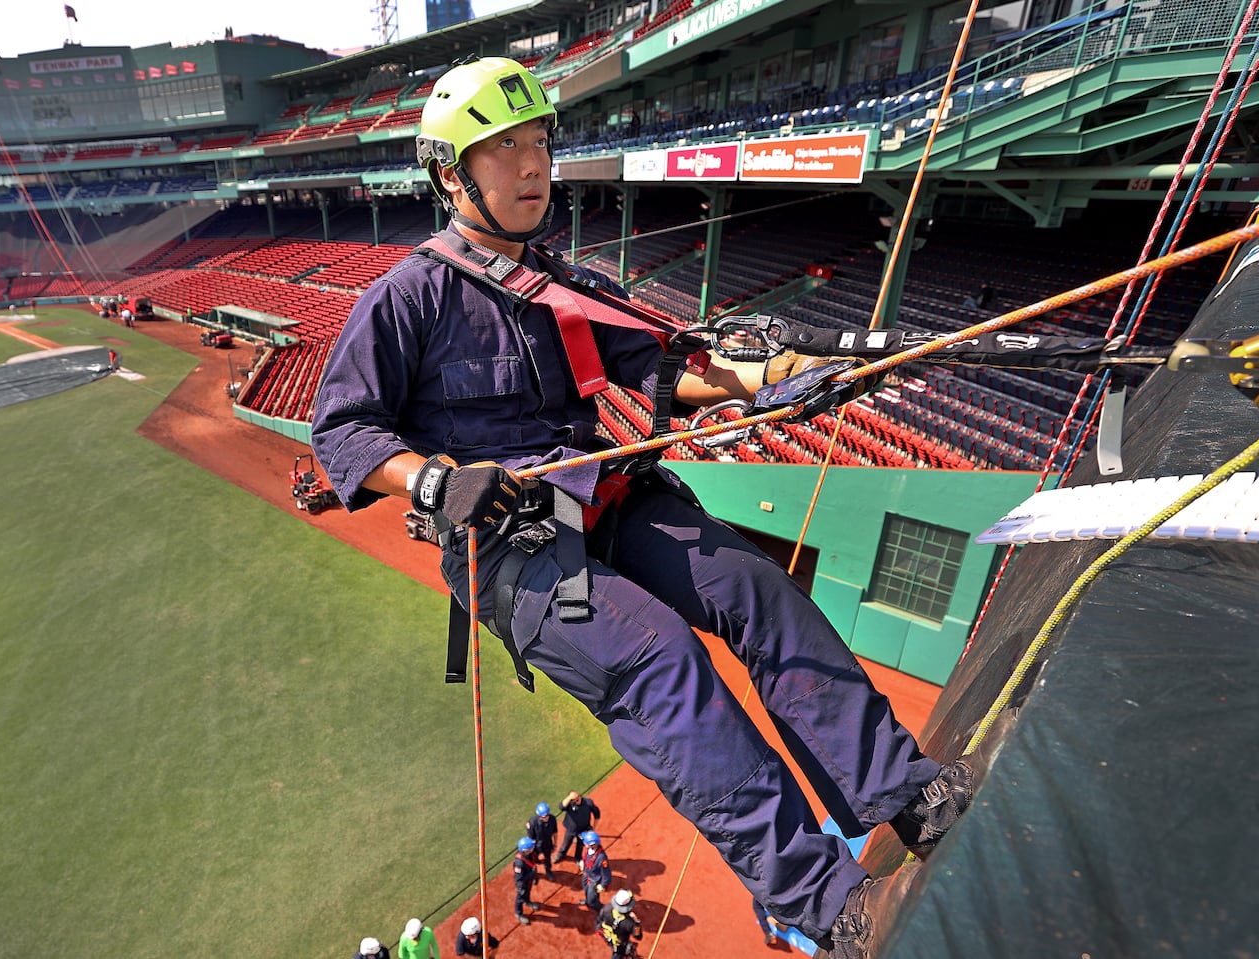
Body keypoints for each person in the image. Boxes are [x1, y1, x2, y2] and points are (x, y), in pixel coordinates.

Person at [311, 56, 973, 959]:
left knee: (754, 590)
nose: (532, 164)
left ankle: (904, 792)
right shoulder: (408, 298)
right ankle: (824, 901)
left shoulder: (563, 287)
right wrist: (435, 480)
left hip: (606, 500)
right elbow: (342, 429)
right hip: (518, 555)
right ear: (450, 173)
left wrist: (785, 382)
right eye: (503, 149)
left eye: (537, 141)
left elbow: (673, 367)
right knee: (661, 660)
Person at [556, 791, 600, 863]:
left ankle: (578, 858)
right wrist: (570, 797)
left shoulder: (588, 803)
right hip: (571, 829)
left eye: (577, 799)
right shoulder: (570, 804)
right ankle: (561, 855)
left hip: (583, 829)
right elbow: (561, 807)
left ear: (580, 796)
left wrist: (593, 829)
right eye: (574, 800)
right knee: (565, 844)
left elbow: (597, 814)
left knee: (580, 845)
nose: (576, 801)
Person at [598, 889, 643, 958]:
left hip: (607, 935)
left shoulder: (606, 908)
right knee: (618, 954)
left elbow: (599, 920)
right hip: (619, 943)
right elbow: (638, 936)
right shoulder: (629, 923)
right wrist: (636, 922)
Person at [579, 830, 611, 912]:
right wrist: (583, 862)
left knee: (592, 900)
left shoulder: (601, 857)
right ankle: (588, 901)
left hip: (594, 881)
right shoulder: (589, 850)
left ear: (592, 844)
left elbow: (606, 873)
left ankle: (603, 910)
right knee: (586, 891)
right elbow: (586, 858)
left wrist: (603, 885)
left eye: (585, 842)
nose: (583, 843)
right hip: (586, 875)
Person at [524, 802, 557, 879]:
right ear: (539, 816)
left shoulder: (552, 819)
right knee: (533, 861)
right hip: (535, 846)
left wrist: (555, 844)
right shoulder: (533, 822)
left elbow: (555, 832)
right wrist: (530, 850)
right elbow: (529, 838)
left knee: (547, 859)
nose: (546, 818)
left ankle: (548, 871)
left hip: (547, 843)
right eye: (543, 816)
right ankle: (534, 875)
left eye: (547, 815)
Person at [512, 836, 538, 924]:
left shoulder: (530, 854)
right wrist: (532, 874)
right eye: (531, 847)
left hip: (528, 880)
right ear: (525, 850)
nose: (533, 848)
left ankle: (527, 902)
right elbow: (520, 878)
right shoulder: (519, 863)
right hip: (522, 883)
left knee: (528, 892)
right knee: (520, 897)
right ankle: (518, 913)